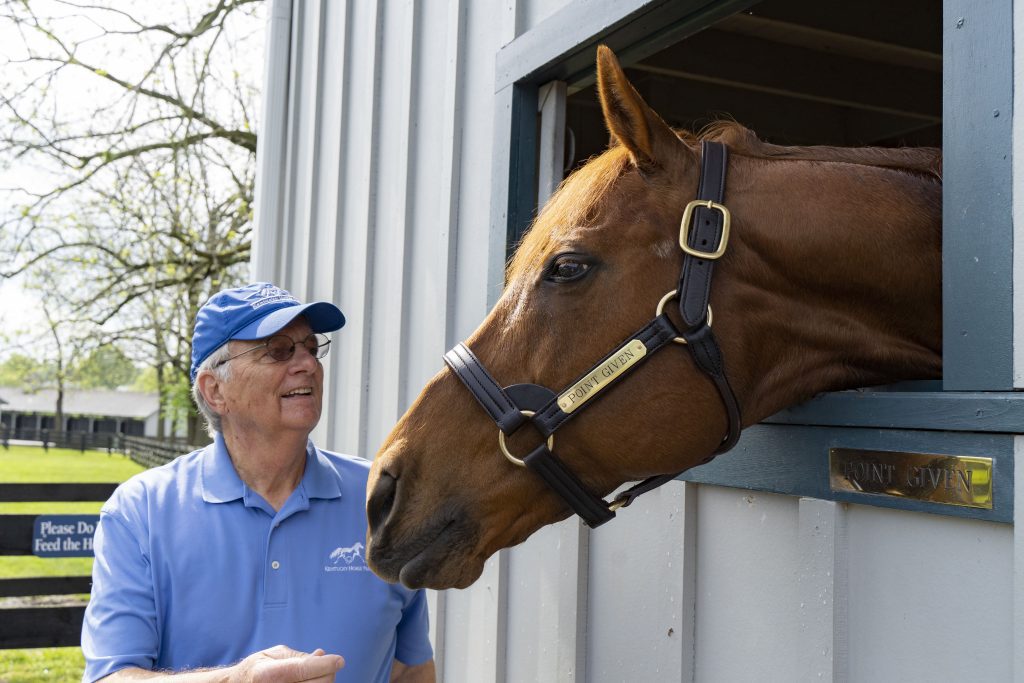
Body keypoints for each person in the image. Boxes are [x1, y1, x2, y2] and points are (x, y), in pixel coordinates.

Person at [82, 282, 435, 682]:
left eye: (310, 346)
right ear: (215, 391)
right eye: (279, 349)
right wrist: (237, 679)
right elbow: (111, 677)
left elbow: (410, 668)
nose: (308, 364)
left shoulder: (379, 498)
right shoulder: (141, 512)